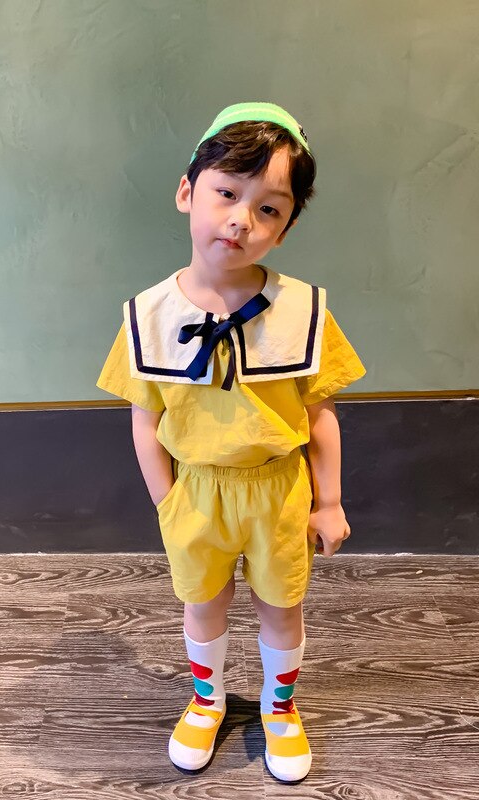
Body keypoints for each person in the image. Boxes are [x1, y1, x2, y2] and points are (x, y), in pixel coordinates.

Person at [96, 102, 366, 783]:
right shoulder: (150, 315)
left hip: (278, 490)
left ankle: (280, 708)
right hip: (197, 489)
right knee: (203, 601)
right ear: (188, 191)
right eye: (226, 193)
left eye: (268, 208)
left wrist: (329, 501)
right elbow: (145, 420)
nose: (242, 219)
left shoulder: (302, 312)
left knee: (282, 604)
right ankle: (206, 698)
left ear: (287, 227)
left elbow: (321, 415)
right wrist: (168, 502)